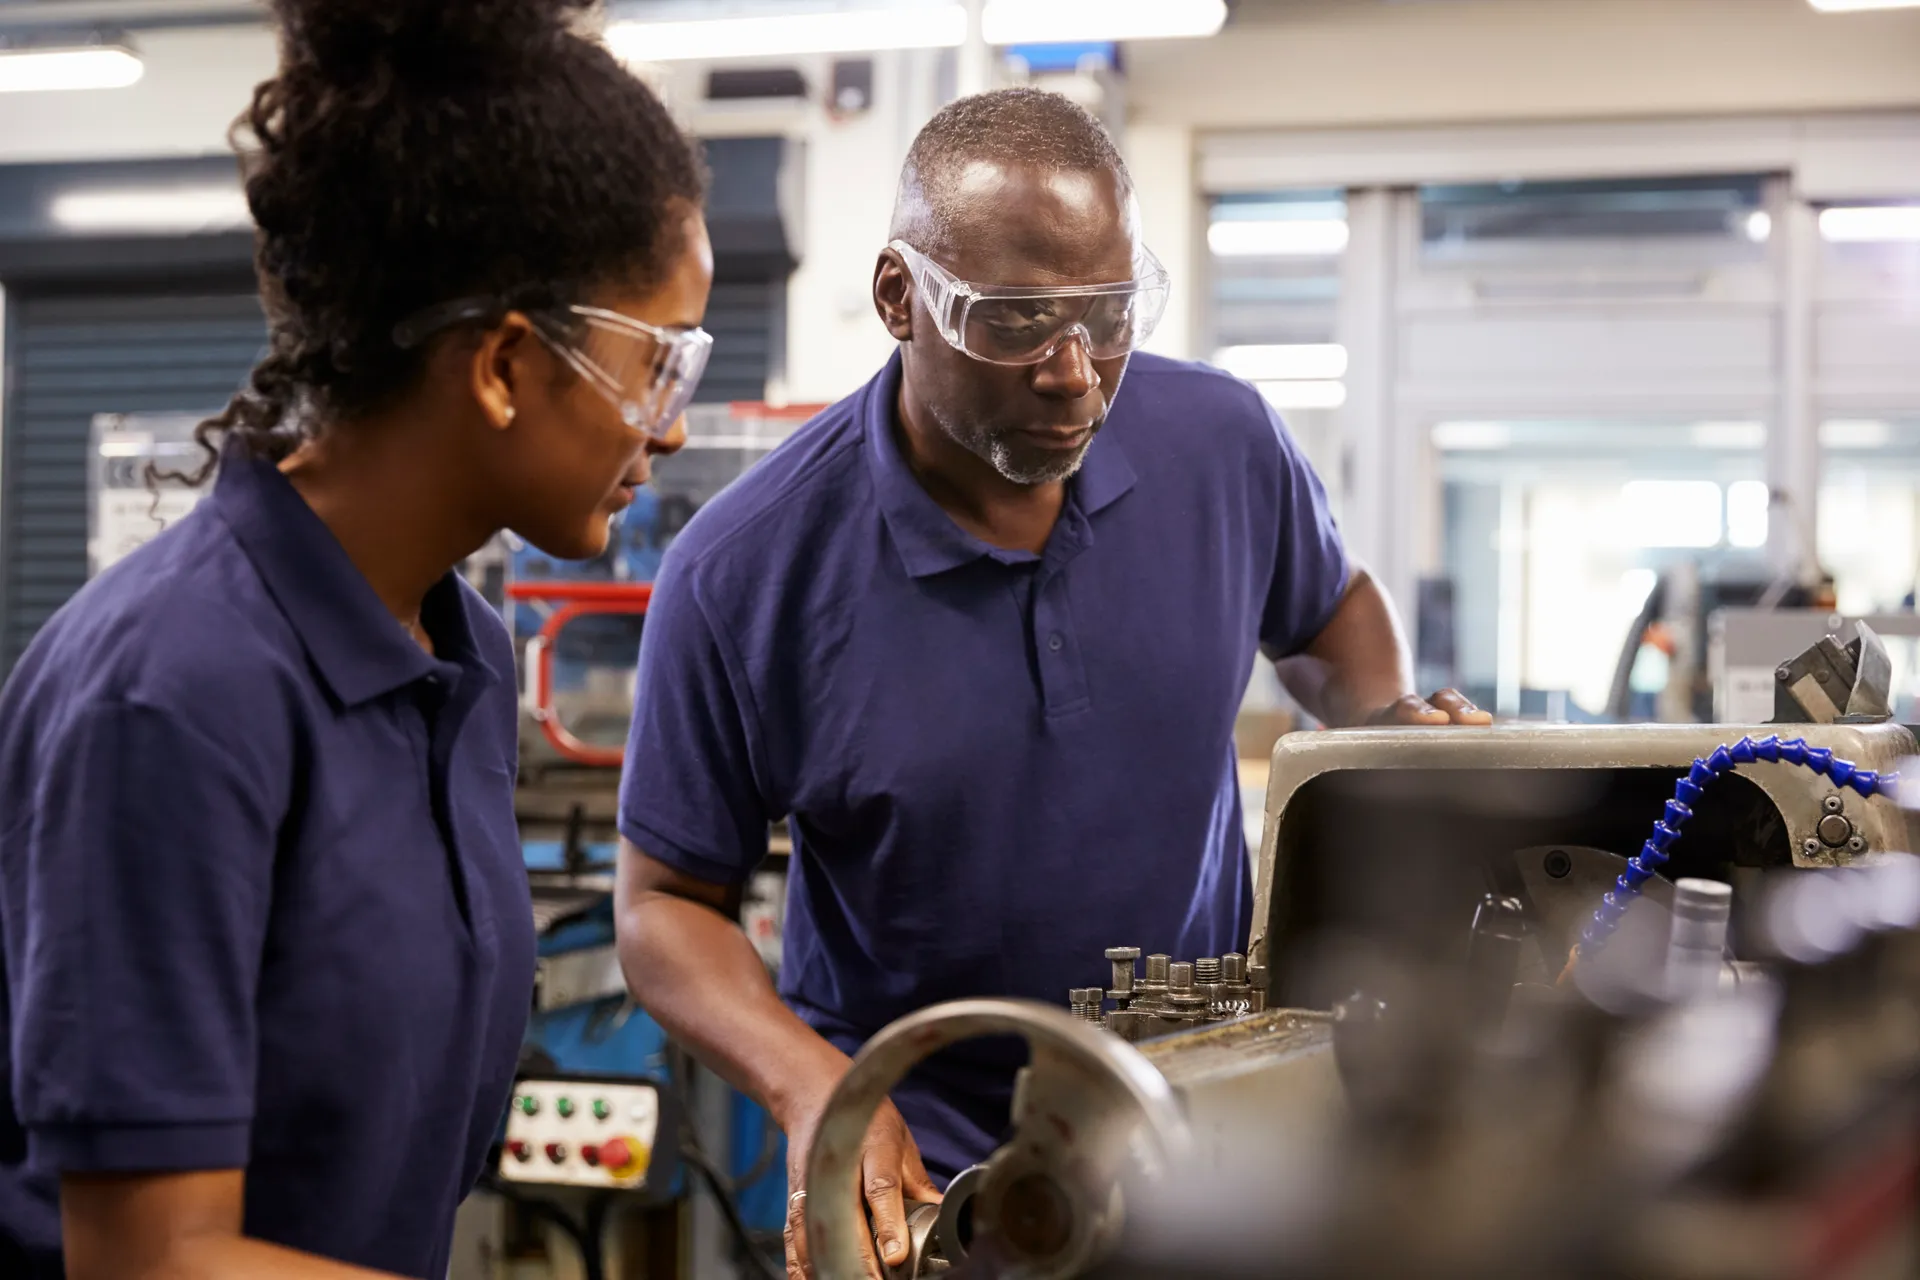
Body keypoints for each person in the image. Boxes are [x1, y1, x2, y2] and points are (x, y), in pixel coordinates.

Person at [612, 88, 1489, 1279]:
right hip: (932, 1175)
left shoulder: (1222, 444)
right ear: (898, 300)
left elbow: (1332, 610)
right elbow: (664, 908)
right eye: (1019, 320)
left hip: (1205, 1119)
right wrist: (819, 1085)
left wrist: (1382, 731)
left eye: (1110, 313)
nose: (1075, 372)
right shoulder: (742, 574)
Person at [0, 2, 711, 1277]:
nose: (666, 428)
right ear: (502, 364)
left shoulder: (466, 662)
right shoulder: (170, 693)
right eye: (658, 361)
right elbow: (150, 1258)